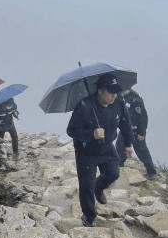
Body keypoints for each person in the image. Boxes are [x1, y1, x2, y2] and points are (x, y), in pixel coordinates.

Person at [67, 73, 134, 227]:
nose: (113, 95)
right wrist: (91, 134)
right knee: (86, 186)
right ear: (100, 91)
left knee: (113, 173)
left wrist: (128, 144)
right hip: (86, 152)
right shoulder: (84, 106)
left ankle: (99, 188)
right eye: (110, 92)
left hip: (106, 147)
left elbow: (125, 123)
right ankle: (89, 217)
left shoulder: (118, 103)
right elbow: (71, 130)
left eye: (115, 91)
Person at [115, 88, 157, 179]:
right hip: (124, 130)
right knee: (119, 148)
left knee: (142, 151)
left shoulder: (135, 99)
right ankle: (118, 168)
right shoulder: (119, 97)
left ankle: (151, 172)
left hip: (136, 131)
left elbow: (143, 118)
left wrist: (142, 132)